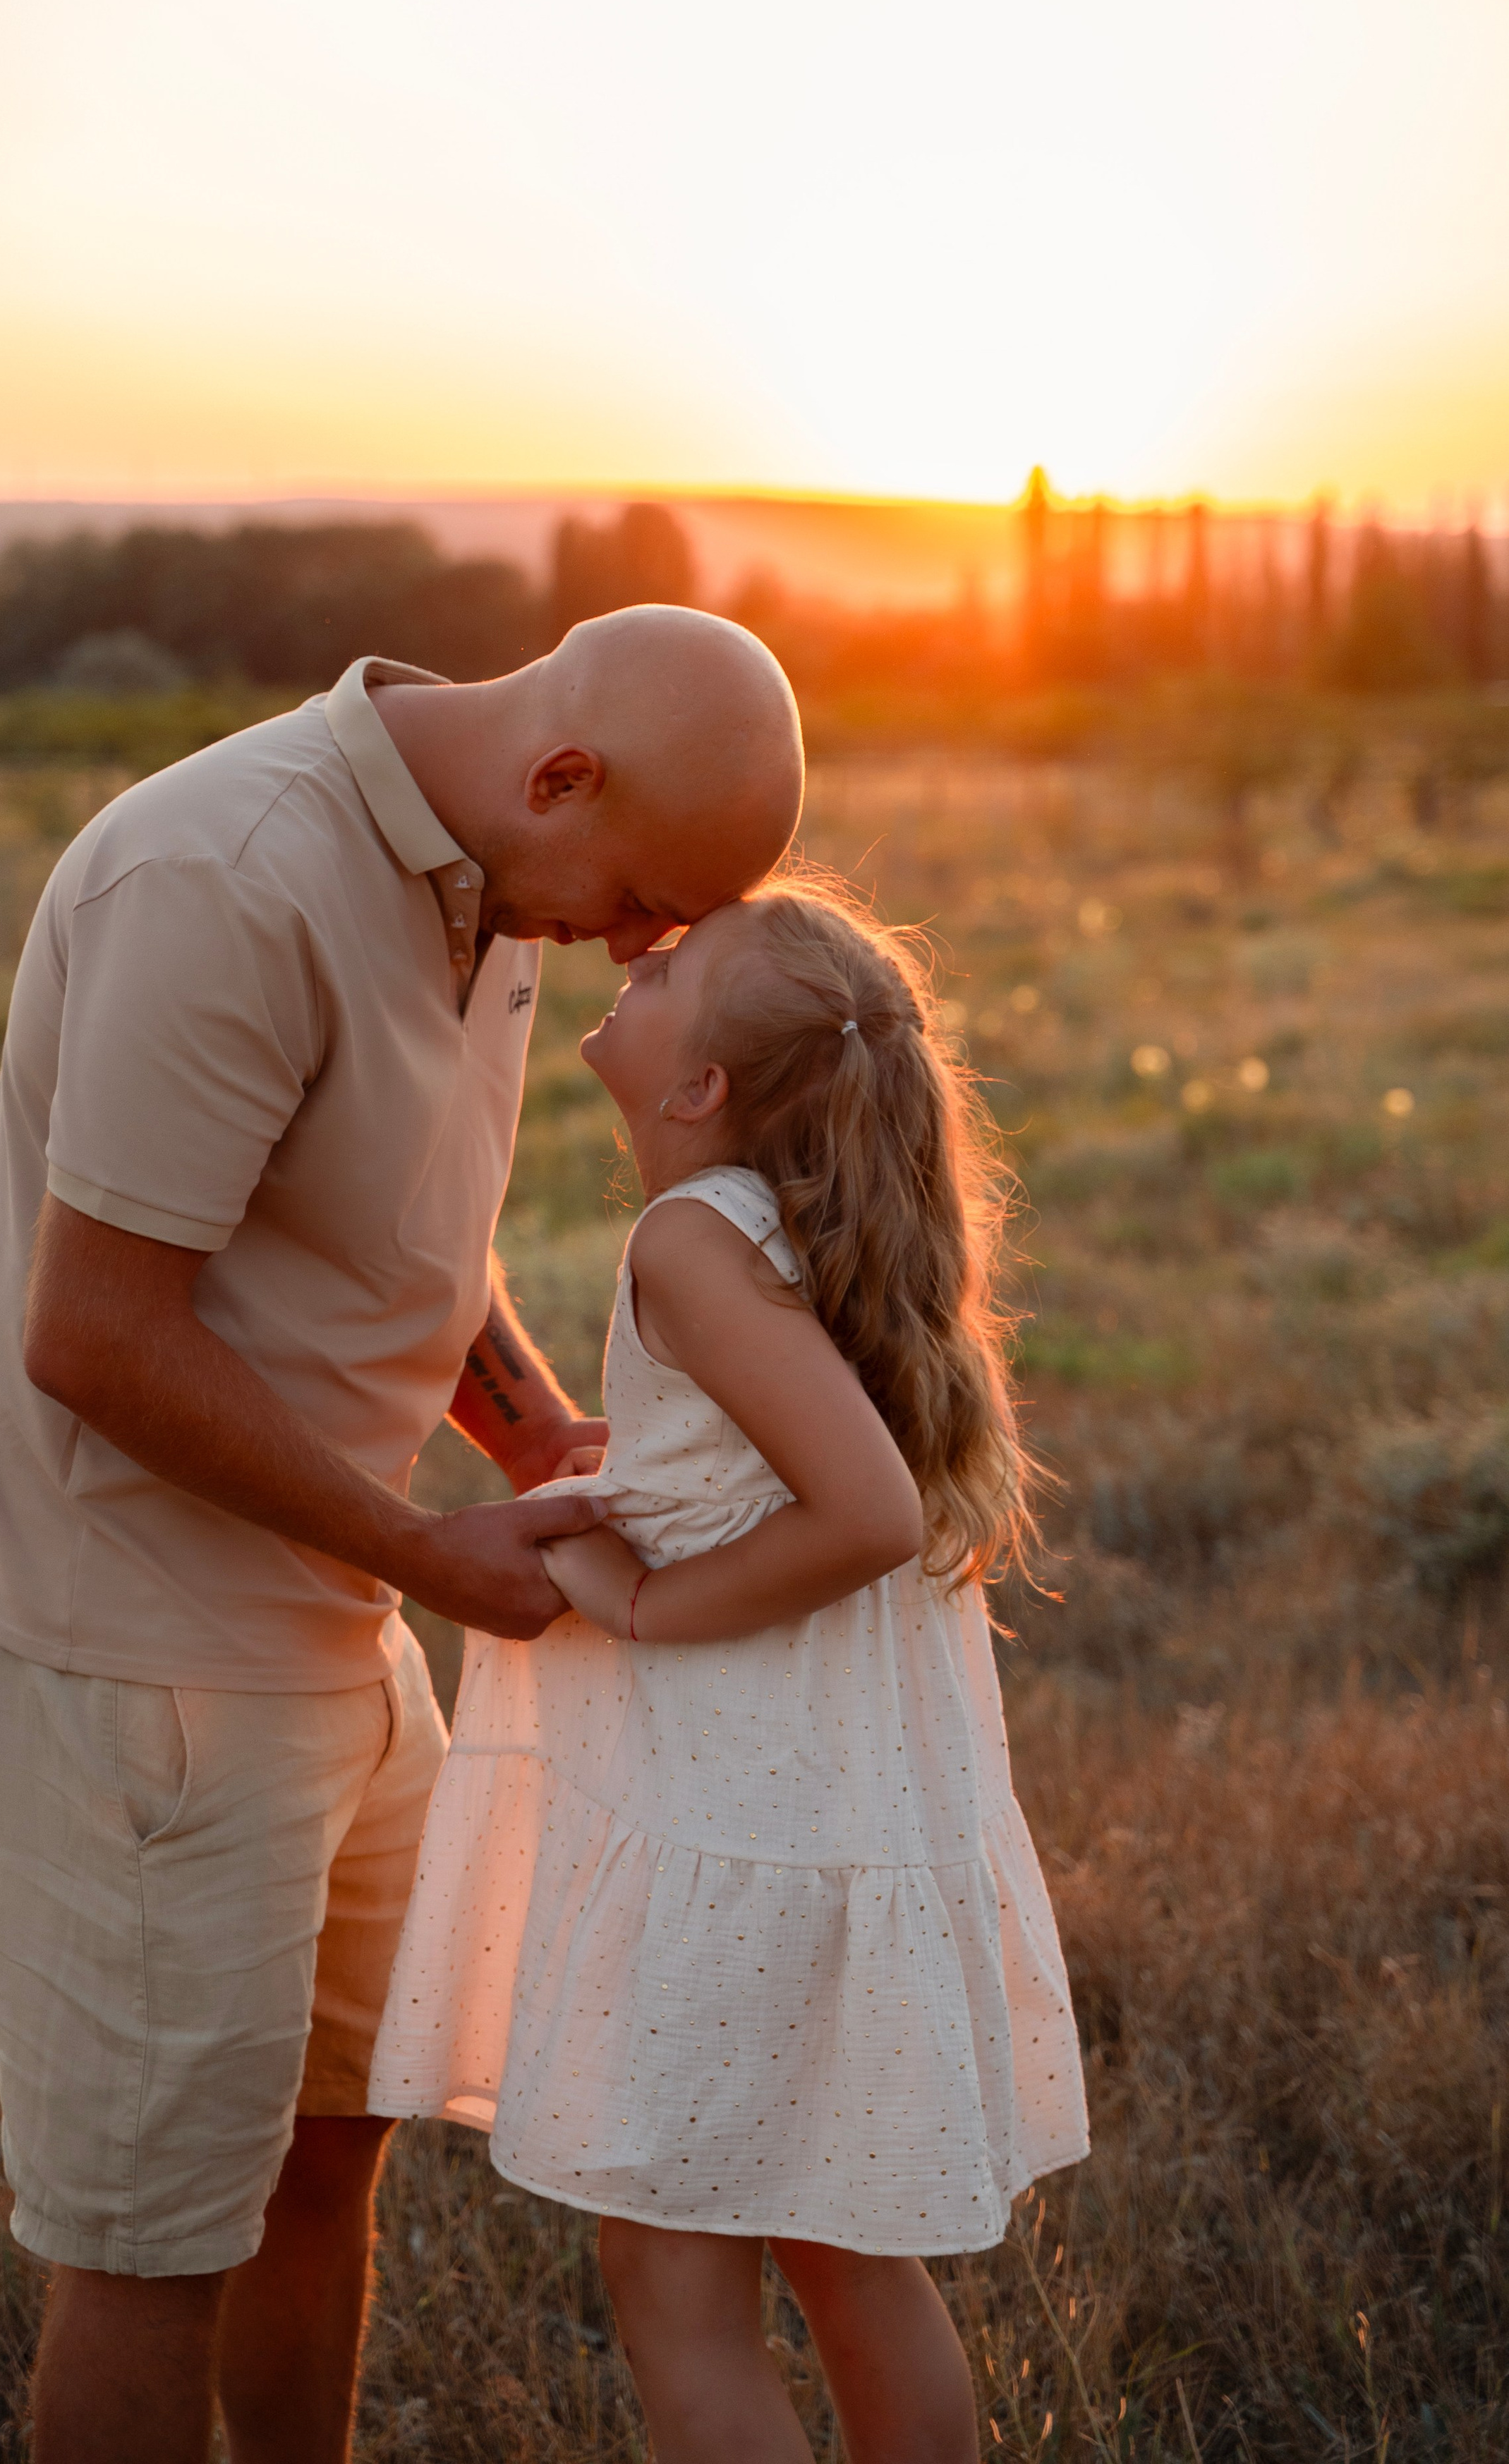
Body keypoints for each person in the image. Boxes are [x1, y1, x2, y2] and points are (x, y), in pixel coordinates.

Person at [0, 605, 805, 2464]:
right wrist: (424, 1551)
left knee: (332, 2149)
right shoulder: (222, 879)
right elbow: (95, 1338)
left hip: (337, 1629)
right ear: (561, 775)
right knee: (152, 2248)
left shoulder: (500, 880)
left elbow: (402, 1235)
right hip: (136, 1663)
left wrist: (529, 1430)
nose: (630, 950)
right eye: (637, 901)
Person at [371, 876, 1090, 2464]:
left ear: (699, 1087)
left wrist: (642, 1602)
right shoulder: (782, 1228)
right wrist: (638, 1480)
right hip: (824, 1811)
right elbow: (776, 1467)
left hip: (743, 1828)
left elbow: (864, 1510)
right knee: (842, 2247)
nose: (635, 958)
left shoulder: (693, 1239)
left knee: (673, 2268)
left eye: (670, 970)